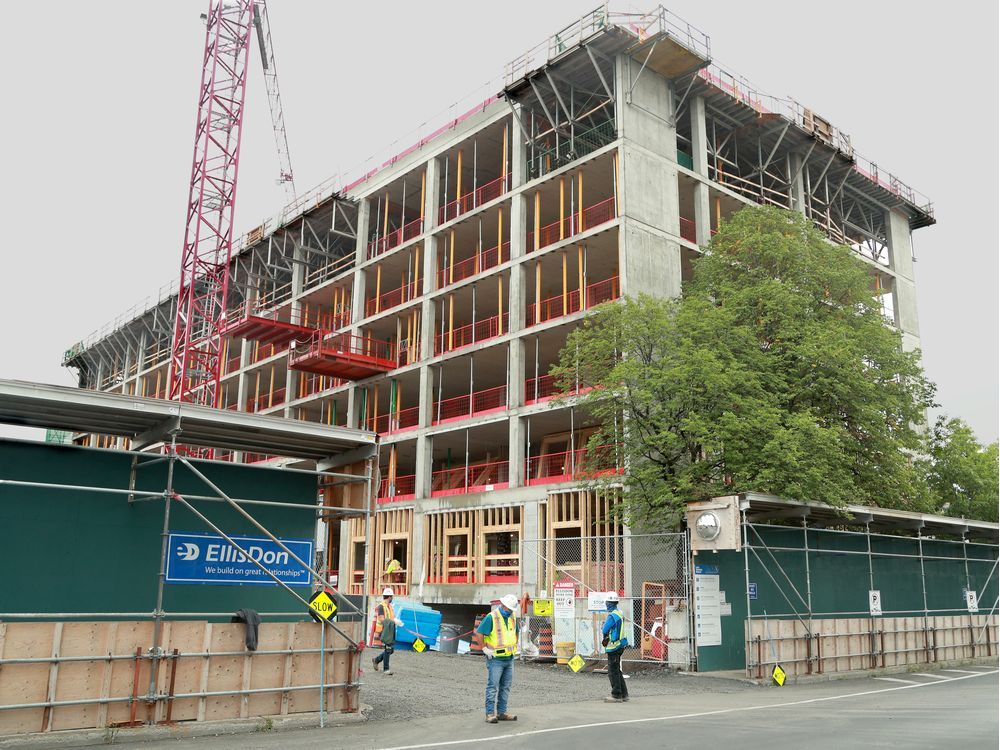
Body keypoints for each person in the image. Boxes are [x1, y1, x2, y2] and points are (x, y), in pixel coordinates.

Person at [474, 593, 520, 724]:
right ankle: (490, 713)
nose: (510, 611)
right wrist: (484, 648)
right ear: (503, 605)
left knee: (505, 687)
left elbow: (515, 632)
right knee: (493, 686)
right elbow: (480, 633)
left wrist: (514, 645)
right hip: (495, 658)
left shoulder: (512, 617)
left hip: (509, 658)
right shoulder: (491, 617)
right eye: (509, 608)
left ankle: (502, 712)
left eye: (512, 609)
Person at [601, 592, 629, 703]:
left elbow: (605, 629)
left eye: (607, 602)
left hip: (614, 646)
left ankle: (616, 695)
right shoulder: (619, 613)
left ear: (608, 603)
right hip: (620, 644)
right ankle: (624, 694)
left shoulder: (612, 615)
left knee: (613, 671)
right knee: (617, 669)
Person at [371, 587, 402, 675]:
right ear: (389, 597)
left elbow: (391, 617)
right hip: (383, 631)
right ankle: (386, 669)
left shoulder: (389, 607)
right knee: (388, 649)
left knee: (391, 650)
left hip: (389, 630)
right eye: (392, 596)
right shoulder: (381, 606)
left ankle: (376, 660)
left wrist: (396, 621)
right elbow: (381, 619)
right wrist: (393, 621)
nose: (392, 598)